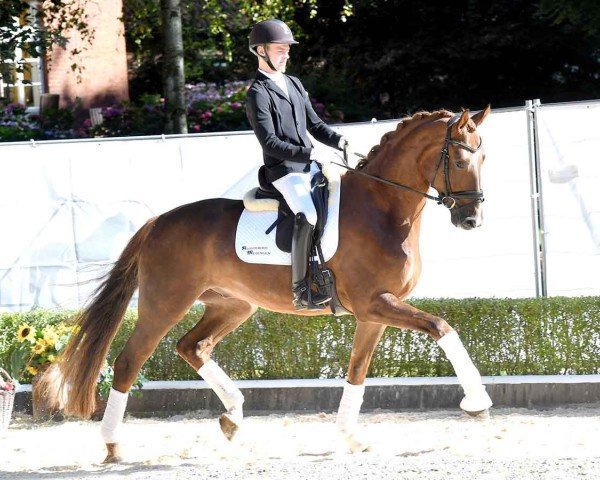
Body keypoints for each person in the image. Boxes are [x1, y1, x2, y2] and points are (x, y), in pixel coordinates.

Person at [246, 19, 351, 311]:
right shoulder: (258, 94)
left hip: (307, 166)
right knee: (308, 214)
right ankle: (301, 289)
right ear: (261, 50)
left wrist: (338, 140)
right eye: (280, 49)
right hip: (282, 172)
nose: (286, 54)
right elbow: (269, 143)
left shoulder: (293, 83)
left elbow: (315, 125)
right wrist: (310, 154)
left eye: (287, 50)